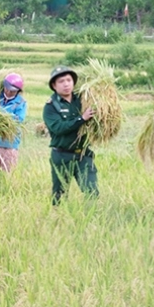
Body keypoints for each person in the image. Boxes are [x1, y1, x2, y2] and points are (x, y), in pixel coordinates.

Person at [43, 66, 97, 205]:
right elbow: (58, 128)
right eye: (61, 81)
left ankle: (90, 216)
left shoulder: (83, 99)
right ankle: (57, 216)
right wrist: (81, 119)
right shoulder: (50, 107)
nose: (66, 84)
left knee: (91, 191)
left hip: (83, 154)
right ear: (54, 86)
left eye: (69, 80)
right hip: (62, 155)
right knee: (60, 195)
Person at [0, 73, 27, 179]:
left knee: (8, 176)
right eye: (6, 88)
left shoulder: (21, 103)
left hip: (9, 145)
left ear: (18, 91)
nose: (8, 92)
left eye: (12, 91)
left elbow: (17, 120)